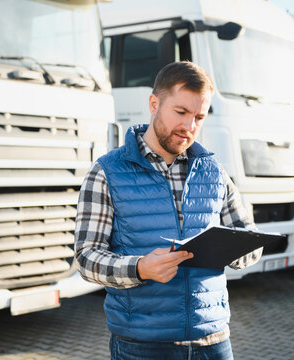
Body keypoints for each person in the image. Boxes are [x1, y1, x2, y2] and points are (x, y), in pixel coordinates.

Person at [74, 61, 262, 360]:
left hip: (213, 341)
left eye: (199, 117)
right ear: (154, 103)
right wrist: (139, 268)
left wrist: (235, 249)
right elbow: (86, 258)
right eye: (181, 112)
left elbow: (249, 240)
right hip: (142, 344)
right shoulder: (107, 171)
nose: (189, 127)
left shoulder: (214, 171)